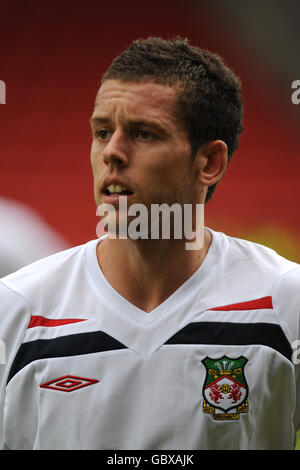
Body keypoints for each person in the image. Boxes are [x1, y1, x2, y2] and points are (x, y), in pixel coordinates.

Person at [0, 36, 299, 451]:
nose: (113, 153)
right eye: (102, 132)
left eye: (143, 134)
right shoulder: (16, 310)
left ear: (210, 162)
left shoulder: (285, 303)